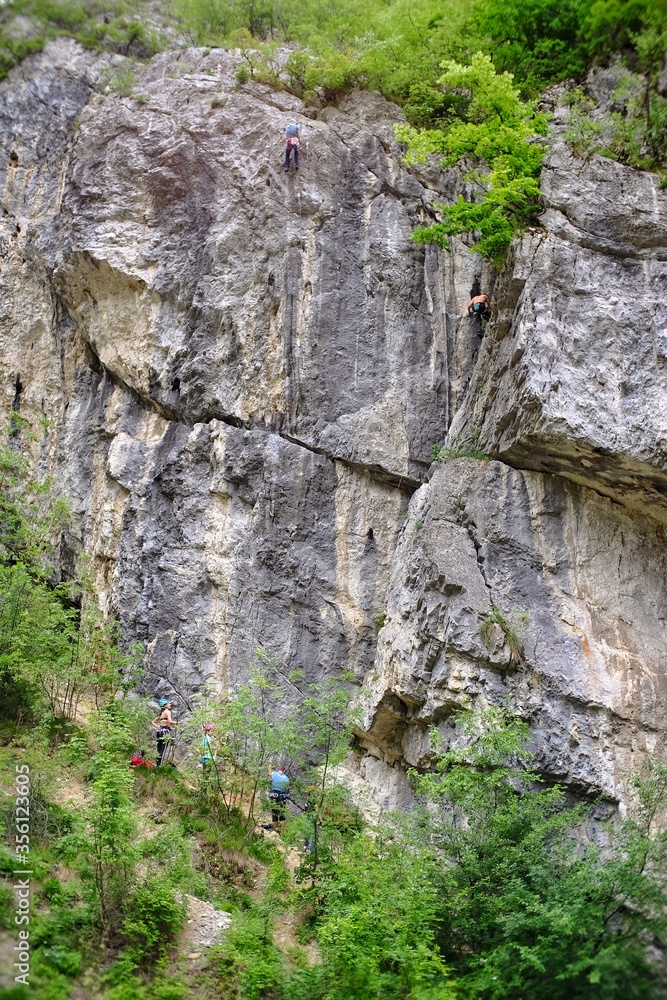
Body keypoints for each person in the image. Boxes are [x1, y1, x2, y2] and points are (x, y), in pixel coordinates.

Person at [151, 698, 183, 767]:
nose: (170, 704)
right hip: (165, 732)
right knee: (163, 750)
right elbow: (170, 721)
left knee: (159, 750)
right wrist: (179, 722)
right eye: (168, 703)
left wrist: (159, 727)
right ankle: (159, 767)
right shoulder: (167, 712)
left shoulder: (161, 713)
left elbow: (153, 722)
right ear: (165, 705)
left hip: (159, 732)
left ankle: (157, 765)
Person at [269, 765, 290, 834]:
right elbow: (286, 788)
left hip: (274, 795)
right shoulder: (286, 778)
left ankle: (274, 832)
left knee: (274, 813)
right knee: (282, 814)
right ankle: (282, 833)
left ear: (278, 769)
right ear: (284, 771)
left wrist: (269, 766)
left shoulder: (274, 774)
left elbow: (269, 772)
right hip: (282, 796)